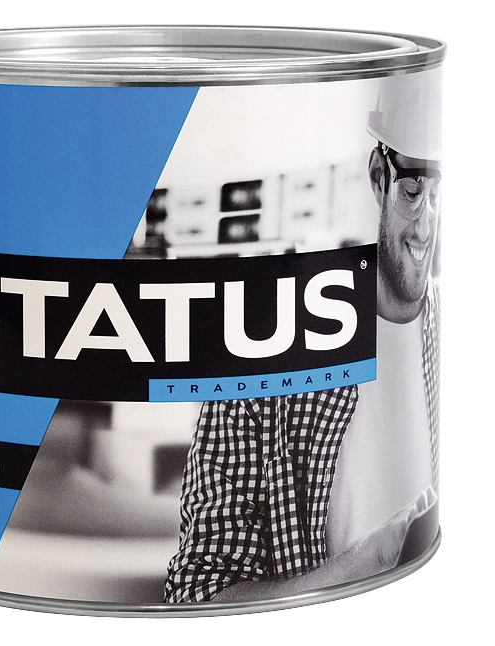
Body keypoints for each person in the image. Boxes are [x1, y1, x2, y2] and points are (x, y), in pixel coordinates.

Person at [164, 70, 442, 604]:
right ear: (379, 177)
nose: (427, 226)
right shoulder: (259, 355)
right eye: (412, 192)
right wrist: (371, 560)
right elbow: (198, 590)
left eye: (441, 193)